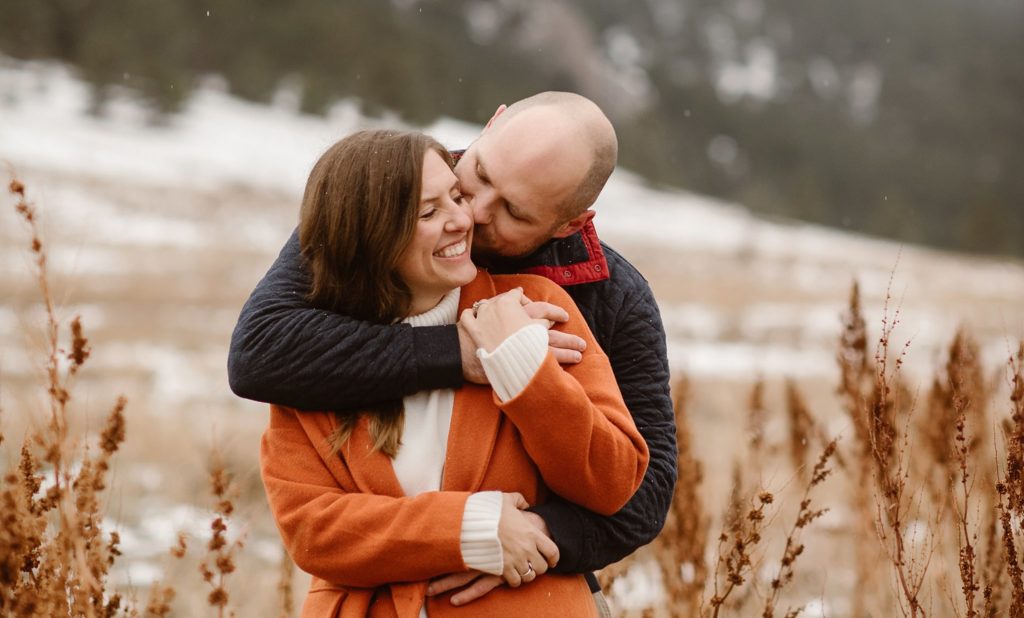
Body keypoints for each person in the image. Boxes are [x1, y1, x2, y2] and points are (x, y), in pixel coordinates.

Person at [231, 92, 677, 605]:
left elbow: (644, 491)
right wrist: (458, 354)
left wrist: (533, 537)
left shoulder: (608, 296)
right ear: (491, 122)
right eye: (480, 175)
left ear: (568, 225)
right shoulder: (382, 207)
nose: (473, 215)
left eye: (513, 211)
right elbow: (259, 353)